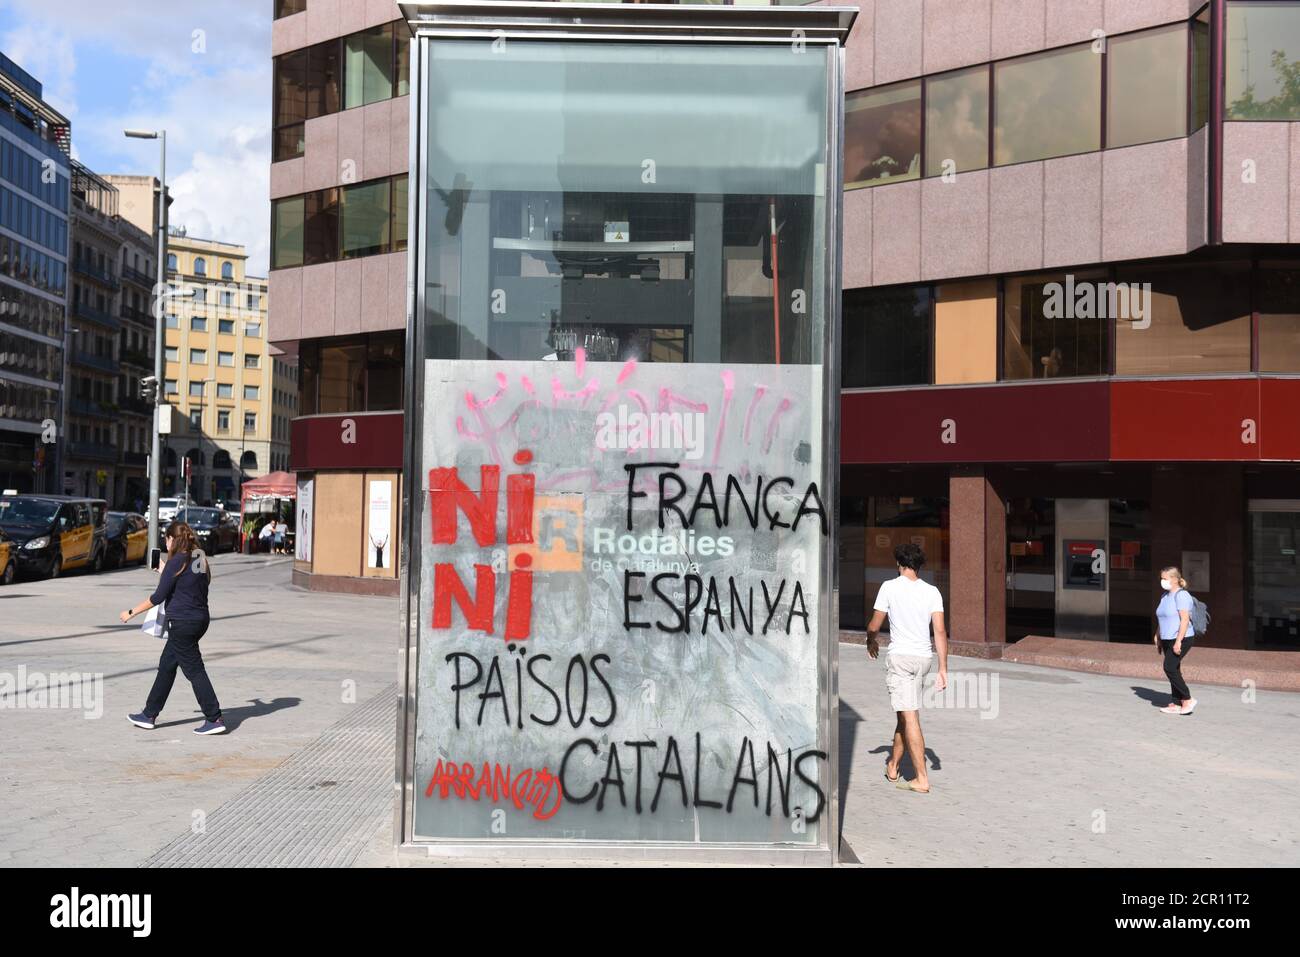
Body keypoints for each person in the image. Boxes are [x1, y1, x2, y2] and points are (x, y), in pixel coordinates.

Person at [119, 521, 226, 735]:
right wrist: (165, 571)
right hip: (199, 620)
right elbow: (187, 584)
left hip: (182, 623)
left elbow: (158, 597)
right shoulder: (198, 559)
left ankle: (214, 718)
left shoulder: (176, 561)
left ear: (171, 539)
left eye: (166, 539)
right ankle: (149, 714)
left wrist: (130, 613)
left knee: (194, 670)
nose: (166, 543)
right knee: (167, 666)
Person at [866, 543, 948, 794]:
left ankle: (921, 779)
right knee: (905, 712)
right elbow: (940, 631)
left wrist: (870, 640)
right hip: (923, 659)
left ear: (899, 564)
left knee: (910, 715)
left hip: (900, 659)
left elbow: (875, 623)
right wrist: (943, 668)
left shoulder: (889, 587)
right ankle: (893, 765)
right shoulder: (932, 591)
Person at [1154, 565, 1197, 715]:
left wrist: (1179, 641)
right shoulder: (1164, 596)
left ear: (1174, 579)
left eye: (1164, 578)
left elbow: (1184, 620)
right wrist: (1158, 635)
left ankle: (1187, 698)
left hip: (1182, 637)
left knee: (1169, 667)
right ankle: (1176, 702)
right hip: (1167, 637)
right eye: (1161, 578)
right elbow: (1162, 617)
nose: (1162, 581)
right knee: (1175, 668)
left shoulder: (1182, 595)